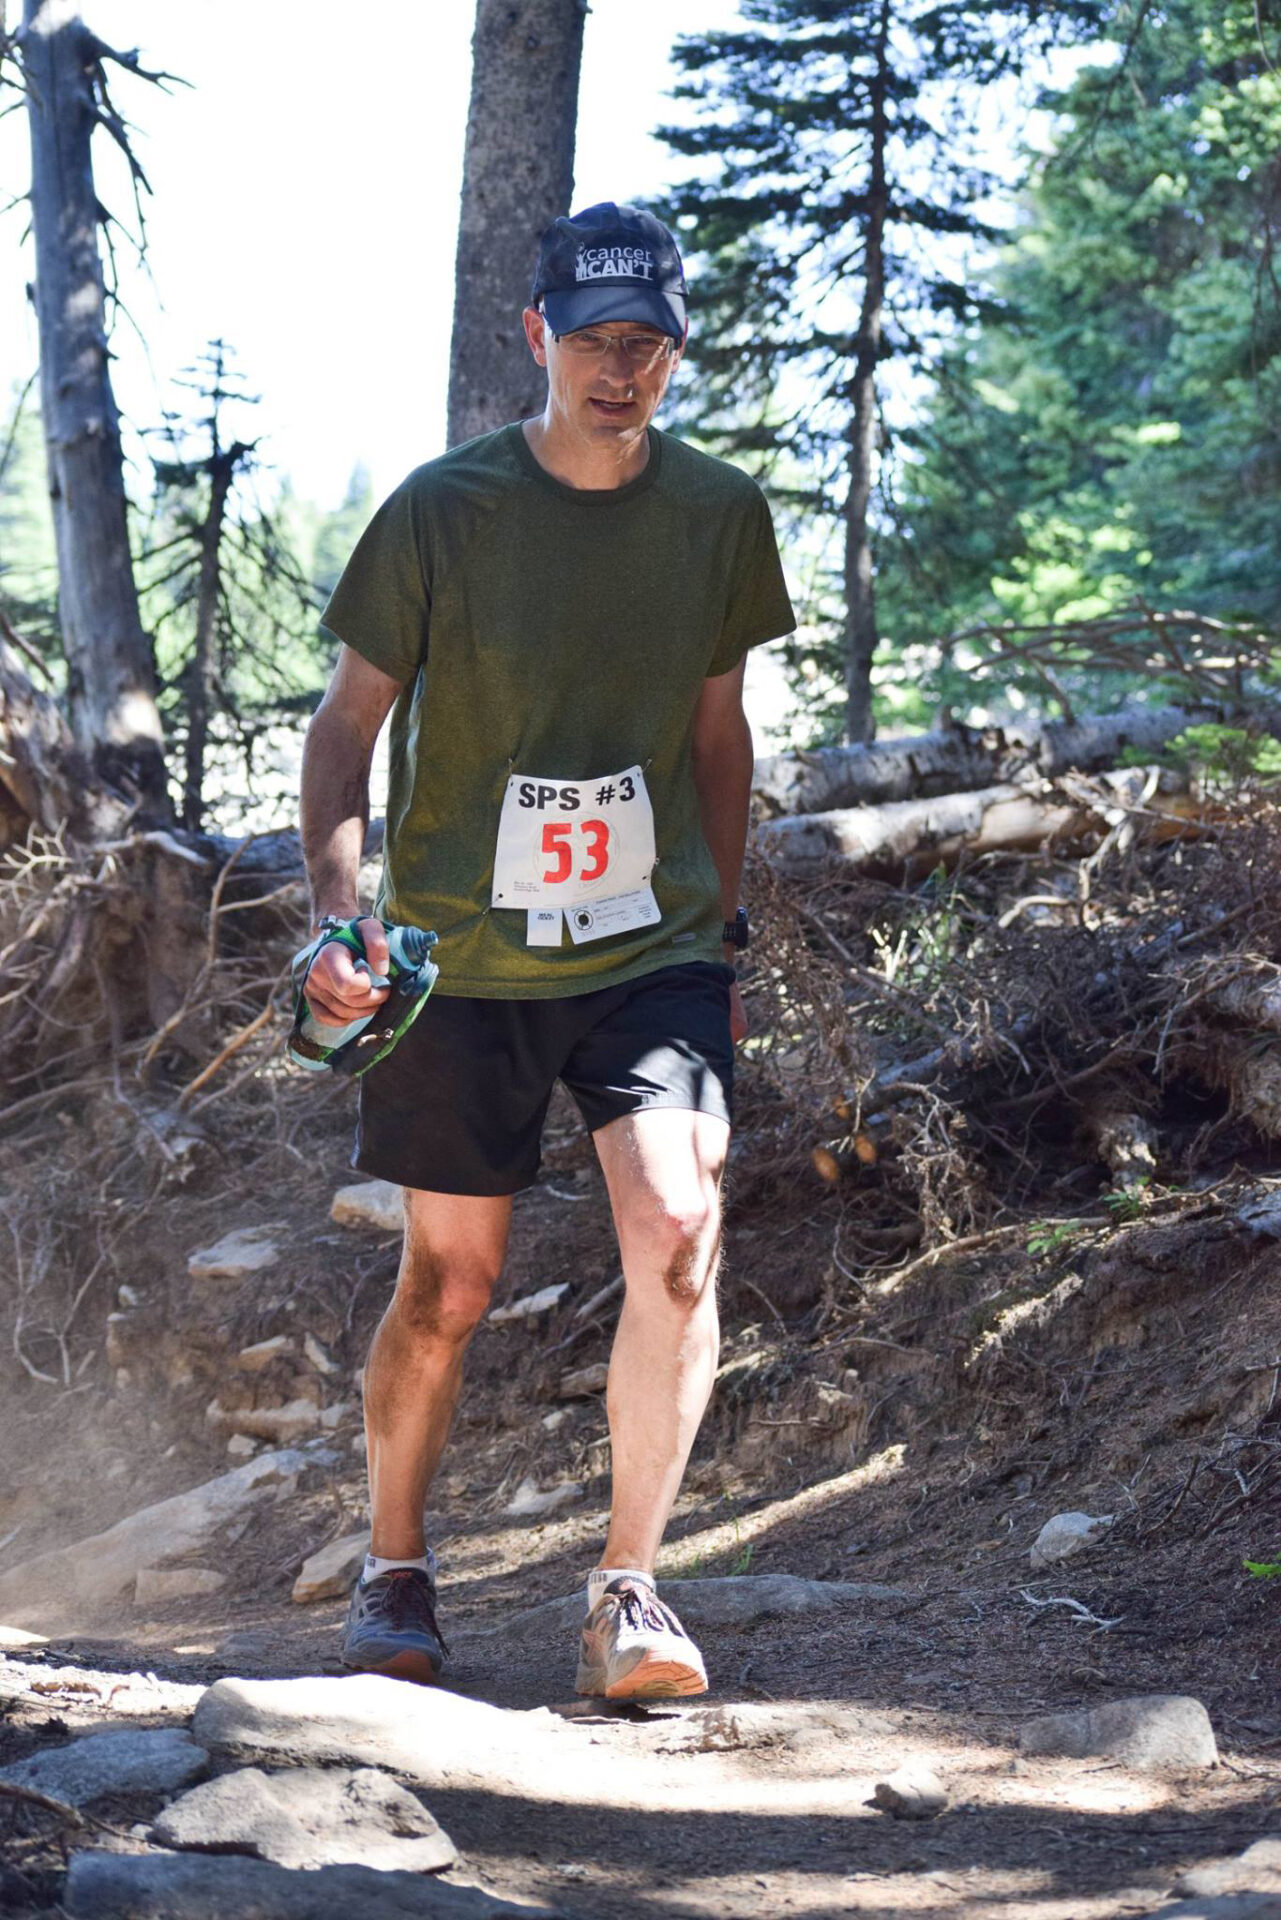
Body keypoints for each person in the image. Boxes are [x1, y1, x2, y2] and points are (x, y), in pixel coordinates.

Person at [299, 201, 794, 1699]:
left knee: (678, 1221)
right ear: (537, 337)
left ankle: (628, 1594)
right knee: (451, 1286)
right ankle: (396, 1570)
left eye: (647, 343)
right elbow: (343, 730)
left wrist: (714, 916)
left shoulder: (718, 515)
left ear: (675, 354)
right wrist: (342, 913)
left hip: (649, 948)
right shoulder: (444, 511)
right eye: (592, 339)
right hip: (459, 957)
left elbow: (719, 732)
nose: (619, 367)